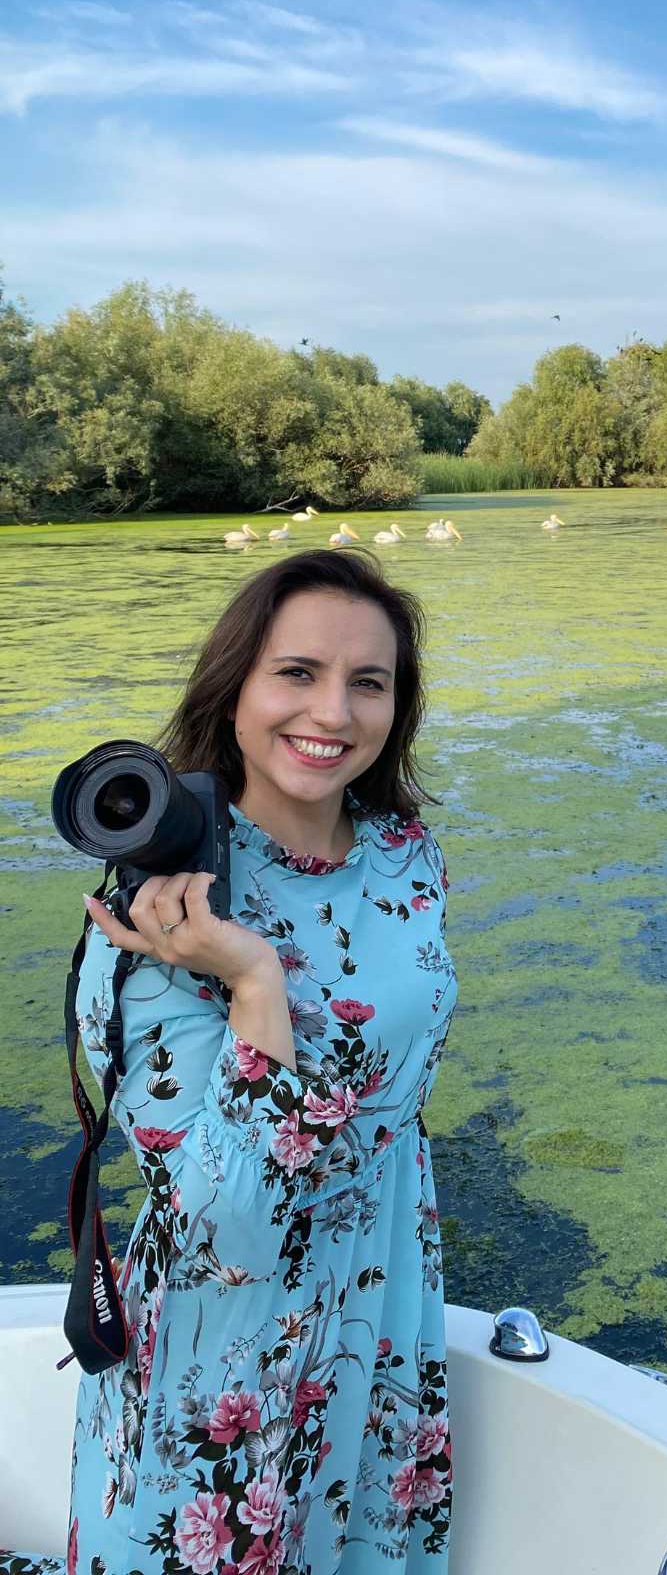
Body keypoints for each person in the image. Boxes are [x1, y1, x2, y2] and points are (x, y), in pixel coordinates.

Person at [30, 547, 457, 1575]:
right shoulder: (157, 919)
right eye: (297, 672)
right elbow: (231, 1219)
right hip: (230, 1349)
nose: (335, 711)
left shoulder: (404, 849)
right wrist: (253, 980)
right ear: (235, 692)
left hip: (385, 1292)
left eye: (370, 681)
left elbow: (399, 1072)